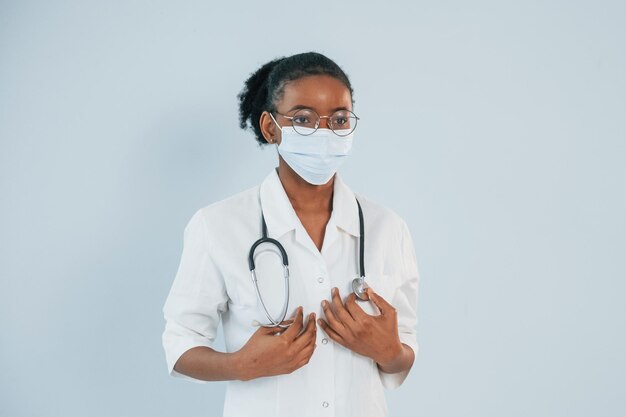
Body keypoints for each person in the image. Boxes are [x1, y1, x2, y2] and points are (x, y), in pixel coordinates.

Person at [161, 51, 420, 417]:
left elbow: (403, 349)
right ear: (270, 128)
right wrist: (241, 365)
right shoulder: (218, 226)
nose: (324, 133)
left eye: (339, 119)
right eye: (303, 119)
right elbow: (180, 344)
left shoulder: (387, 228)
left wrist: (389, 352)